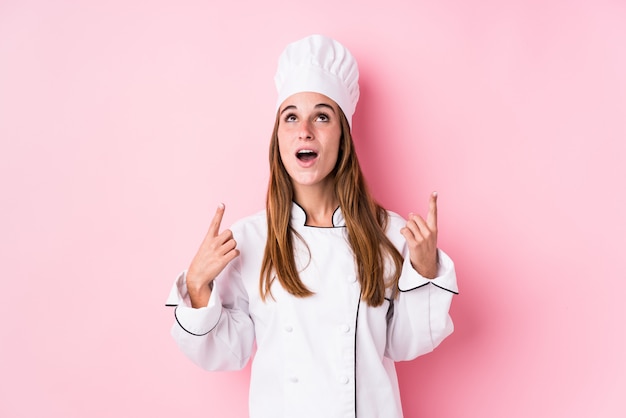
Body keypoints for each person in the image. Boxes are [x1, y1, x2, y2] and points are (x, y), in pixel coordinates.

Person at [166, 34, 458, 418]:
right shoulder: (249, 241)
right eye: (291, 117)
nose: (305, 129)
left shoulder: (390, 235)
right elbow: (225, 351)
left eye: (322, 116)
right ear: (280, 139)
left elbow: (405, 344)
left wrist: (423, 270)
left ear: (343, 137)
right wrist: (197, 287)